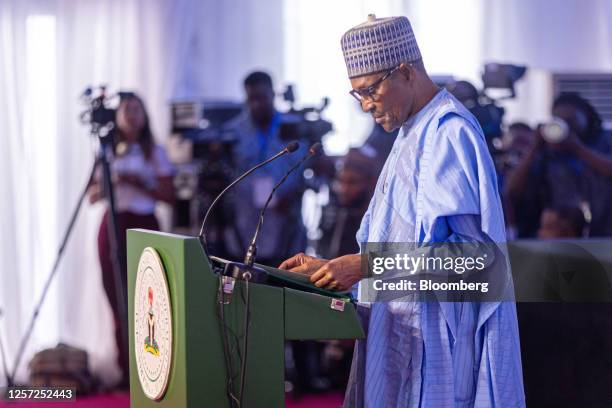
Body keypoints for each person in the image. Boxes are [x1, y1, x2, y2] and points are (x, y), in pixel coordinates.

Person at [279, 14, 524, 407]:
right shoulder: (411, 131)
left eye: (369, 90)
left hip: (440, 353)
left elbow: (478, 262)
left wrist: (363, 266)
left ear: (406, 72)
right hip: (399, 339)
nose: (364, 105)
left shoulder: (450, 132)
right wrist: (332, 270)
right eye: (356, 94)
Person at [88, 93, 175, 386]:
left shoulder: (154, 152)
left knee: (148, 298)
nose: (132, 116)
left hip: (144, 224)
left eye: (137, 109)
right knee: (117, 297)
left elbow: (170, 195)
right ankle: (125, 369)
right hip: (113, 224)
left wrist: (141, 183)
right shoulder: (105, 151)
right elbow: (90, 196)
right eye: (126, 110)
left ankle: (152, 368)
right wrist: (111, 184)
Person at [223, 71, 307, 267]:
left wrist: (294, 194)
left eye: (262, 97)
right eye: (252, 98)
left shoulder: (293, 126)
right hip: (246, 223)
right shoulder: (233, 131)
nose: (257, 104)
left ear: (272, 94)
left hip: (285, 222)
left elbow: (308, 165)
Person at [505, 93, 612, 237]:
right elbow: (512, 190)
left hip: (604, 231)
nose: (565, 125)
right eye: (558, 120)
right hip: (557, 236)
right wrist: (534, 148)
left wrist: (576, 147)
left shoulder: (605, 139)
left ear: (586, 116)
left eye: (570, 120)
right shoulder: (547, 149)